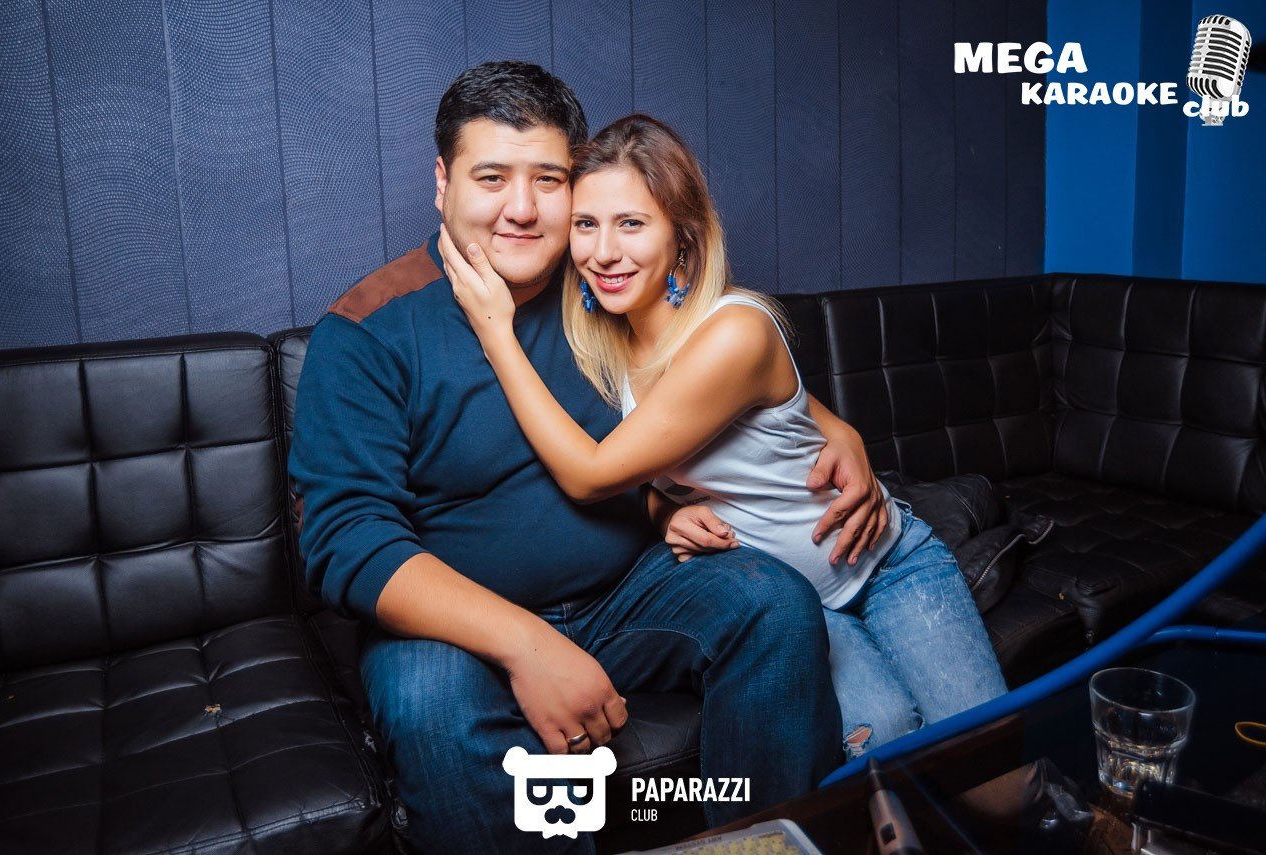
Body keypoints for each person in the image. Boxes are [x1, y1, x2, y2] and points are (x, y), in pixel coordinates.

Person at [290, 62, 889, 853]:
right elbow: (346, 541)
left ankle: (757, 844)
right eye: (492, 177)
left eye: (548, 179)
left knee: (771, 601)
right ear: (441, 182)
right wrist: (528, 644)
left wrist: (827, 426)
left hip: (623, 593)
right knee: (427, 702)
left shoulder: (602, 286)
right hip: (457, 629)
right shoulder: (367, 329)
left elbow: (719, 366)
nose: (522, 208)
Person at [441, 113, 1009, 765]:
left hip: (886, 566)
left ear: (682, 236)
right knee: (885, 746)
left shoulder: (735, 331)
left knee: (988, 768)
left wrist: (497, 333)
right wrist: (665, 509)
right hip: (796, 607)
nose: (604, 252)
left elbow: (591, 475)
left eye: (632, 224)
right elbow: (778, 415)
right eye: (586, 224)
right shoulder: (597, 343)